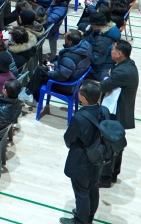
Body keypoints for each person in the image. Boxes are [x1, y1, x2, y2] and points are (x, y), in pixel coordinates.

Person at [60, 80, 106, 224]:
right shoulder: (104, 110)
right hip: (98, 155)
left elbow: (68, 139)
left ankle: (80, 220)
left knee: (81, 192)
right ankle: (88, 215)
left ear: (84, 98)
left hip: (82, 160)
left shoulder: (79, 118)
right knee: (93, 187)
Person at [98, 40, 138, 187]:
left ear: (120, 53)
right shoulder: (127, 65)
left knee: (110, 145)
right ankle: (113, 174)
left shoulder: (122, 71)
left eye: (113, 49)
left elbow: (103, 85)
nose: (111, 51)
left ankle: (105, 178)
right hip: (119, 109)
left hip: (117, 113)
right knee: (116, 145)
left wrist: (106, 77)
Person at [21, 30, 92, 105]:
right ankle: (30, 94)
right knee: (43, 70)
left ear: (70, 42)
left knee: (40, 73)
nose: (64, 38)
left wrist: (50, 72)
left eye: (65, 38)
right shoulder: (85, 48)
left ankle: (31, 96)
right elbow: (69, 66)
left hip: (67, 86)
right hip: (74, 79)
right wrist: (55, 65)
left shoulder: (69, 56)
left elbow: (61, 76)